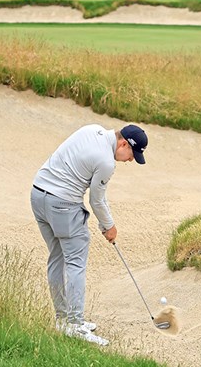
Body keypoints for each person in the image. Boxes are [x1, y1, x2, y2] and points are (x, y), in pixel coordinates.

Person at [30, 123, 149, 347]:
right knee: (75, 262)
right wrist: (109, 226)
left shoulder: (91, 129)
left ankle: (62, 319)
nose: (131, 160)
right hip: (62, 204)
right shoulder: (106, 162)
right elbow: (97, 200)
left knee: (57, 257)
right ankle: (74, 325)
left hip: (38, 194)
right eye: (132, 155)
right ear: (123, 144)